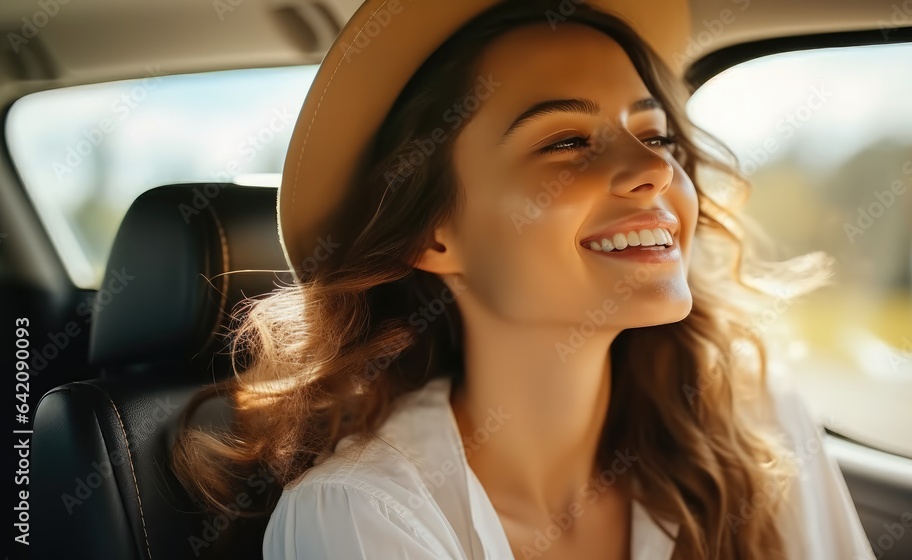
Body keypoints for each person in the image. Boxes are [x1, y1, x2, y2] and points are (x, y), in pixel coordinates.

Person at [172, 0, 875, 558]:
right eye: (566, 141)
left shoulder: (761, 426)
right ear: (433, 234)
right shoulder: (363, 516)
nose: (657, 170)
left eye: (656, 136)